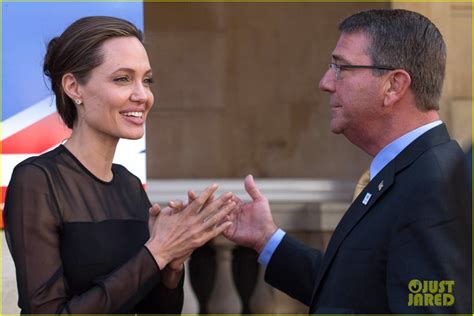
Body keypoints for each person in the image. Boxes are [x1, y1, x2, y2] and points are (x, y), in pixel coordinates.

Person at [223, 9, 471, 314]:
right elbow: (354, 290)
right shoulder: (414, 170)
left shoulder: (436, 189)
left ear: (394, 86)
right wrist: (266, 239)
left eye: (341, 68)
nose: (325, 82)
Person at [3, 16, 234, 314]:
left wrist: (171, 264)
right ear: (74, 87)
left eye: (146, 79)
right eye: (122, 79)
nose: (142, 95)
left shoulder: (130, 185)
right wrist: (156, 252)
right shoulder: (36, 181)